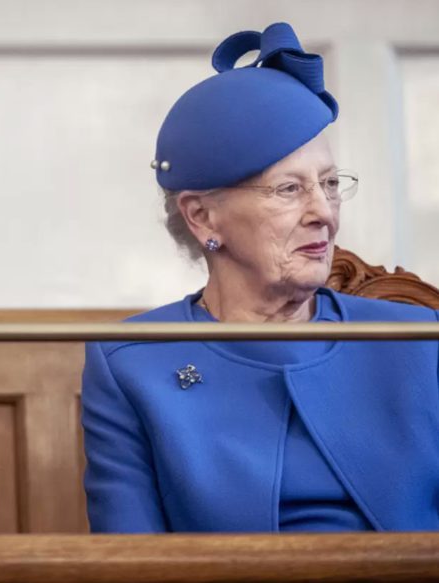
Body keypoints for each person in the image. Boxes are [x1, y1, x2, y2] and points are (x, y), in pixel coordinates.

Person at [81, 23, 439, 533]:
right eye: (289, 189)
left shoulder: (420, 341)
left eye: (330, 184)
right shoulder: (131, 362)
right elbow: (129, 558)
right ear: (203, 217)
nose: (324, 213)